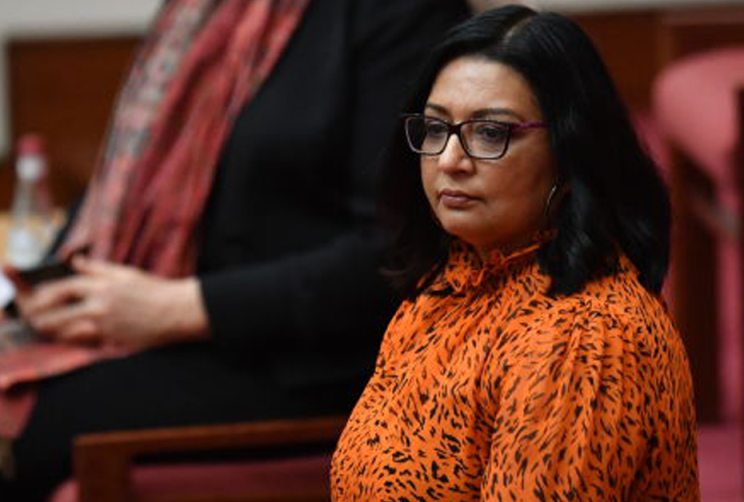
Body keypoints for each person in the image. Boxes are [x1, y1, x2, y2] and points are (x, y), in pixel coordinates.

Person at [0, 0, 470, 499]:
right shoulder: (199, 11)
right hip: (188, 342)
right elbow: (124, 184)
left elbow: (397, 252)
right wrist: (58, 280)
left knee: (20, 428)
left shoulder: (403, 15)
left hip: (312, 363)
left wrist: (176, 308)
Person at [330, 5, 700, 502]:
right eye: (436, 128)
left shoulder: (585, 340)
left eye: (490, 133)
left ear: (570, 152)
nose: (449, 161)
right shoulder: (457, 276)